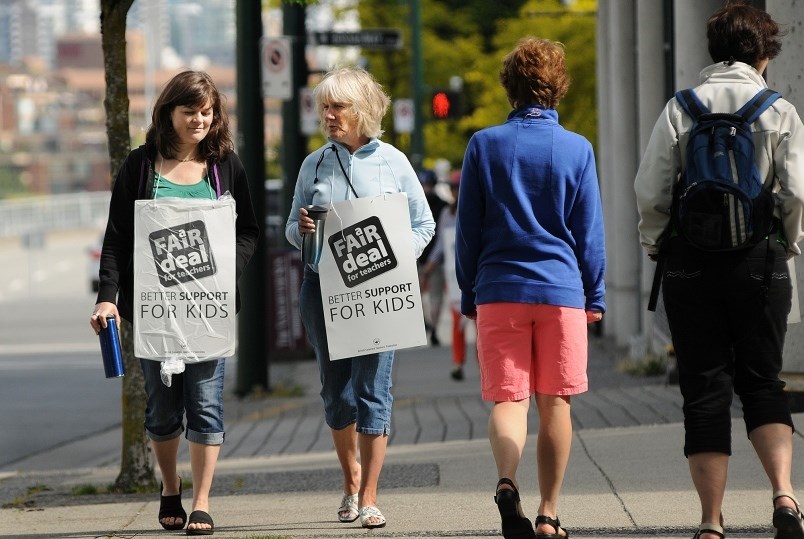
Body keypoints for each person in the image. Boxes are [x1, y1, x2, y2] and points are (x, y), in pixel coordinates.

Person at [634, 3, 804, 539]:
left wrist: (655, 243)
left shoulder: (680, 107)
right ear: (763, 53)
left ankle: (710, 521)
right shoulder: (778, 109)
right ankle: (784, 496)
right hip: (761, 259)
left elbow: (651, 189)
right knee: (763, 381)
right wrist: (789, 242)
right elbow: (796, 191)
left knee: (704, 387)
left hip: (690, 262)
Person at [89, 70, 259, 535]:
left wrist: (226, 273)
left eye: (207, 112)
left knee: (206, 405)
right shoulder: (141, 167)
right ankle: (170, 486)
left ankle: (202, 502)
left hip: (209, 312)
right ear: (168, 113)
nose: (200, 120)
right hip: (154, 313)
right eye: (190, 112)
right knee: (162, 413)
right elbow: (117, 240)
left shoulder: (226, 166)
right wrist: (108, 298)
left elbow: (247, 232)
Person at [456, 37, 605, 539]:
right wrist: (596, 294)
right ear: (557, 87)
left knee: (508, 401)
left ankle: (505, 481)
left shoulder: (483, 145)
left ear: (510, 86)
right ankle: (548, 513)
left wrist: (468, 292)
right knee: (555, 402)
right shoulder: (578, 149)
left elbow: (468, 231)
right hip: (562, 290)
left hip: (499, 287)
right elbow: (590, 233)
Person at [285, 66, 435, 530]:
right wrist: (303, 231)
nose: (329, 116)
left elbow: (423, 225)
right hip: (322, 289)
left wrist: (393, 258)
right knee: (337, 393)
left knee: (374, 391)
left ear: (363, 109)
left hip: (378, 292)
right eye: (324, 107)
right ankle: (350, 479)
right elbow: (291, 227)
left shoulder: (393, 161)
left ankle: (369, 495)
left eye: (338, 107)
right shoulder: (314, 164)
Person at [423, 170, 474, 381]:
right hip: (455, 276)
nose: (456, 192)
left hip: (478, 274)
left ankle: (485, 366)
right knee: (457, 319)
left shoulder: (478, 210)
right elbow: (442, 244)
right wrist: (430, 265)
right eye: (453, 188)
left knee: (482, 324)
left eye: (459, 188)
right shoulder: (448, 213)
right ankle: (457, 362)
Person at [417, 169, 448, 346]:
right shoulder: (444, 205)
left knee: (419, 295)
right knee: (435, 297)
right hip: (435, 258)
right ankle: (433, 328)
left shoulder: (416, 204)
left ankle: (428, 324)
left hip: (421, 256)